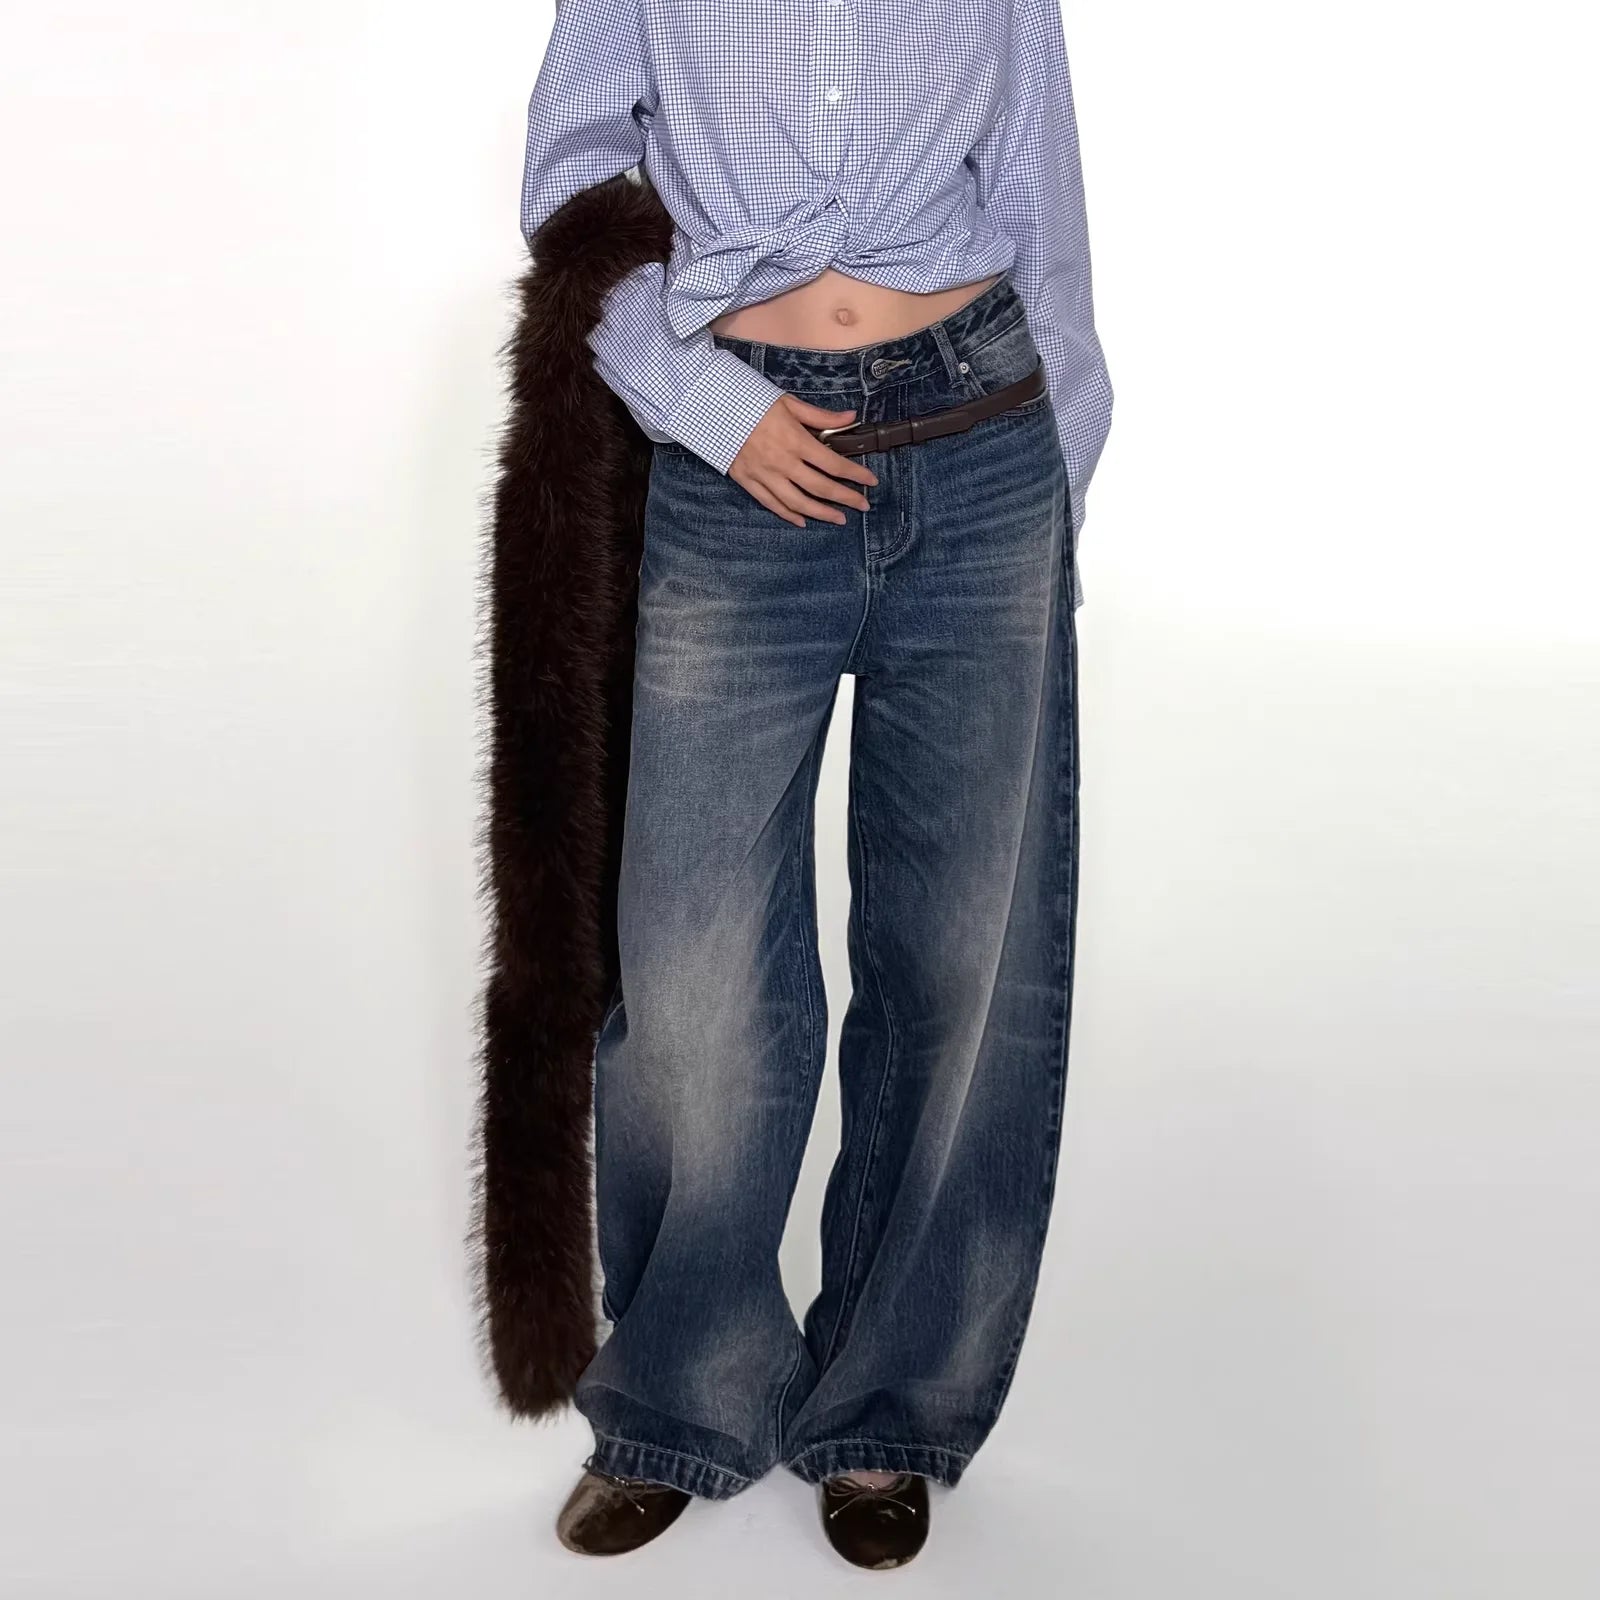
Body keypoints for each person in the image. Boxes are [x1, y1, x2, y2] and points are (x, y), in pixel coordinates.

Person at [516, 0, 1112, 1569]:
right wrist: (709, 408)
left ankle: (889, 1410)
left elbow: (1040, 190)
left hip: (981, 440)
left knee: (962, 961)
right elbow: (572, 189)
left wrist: (1053, 485)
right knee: (697, 972)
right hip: (742, 452)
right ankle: (680, 1399)